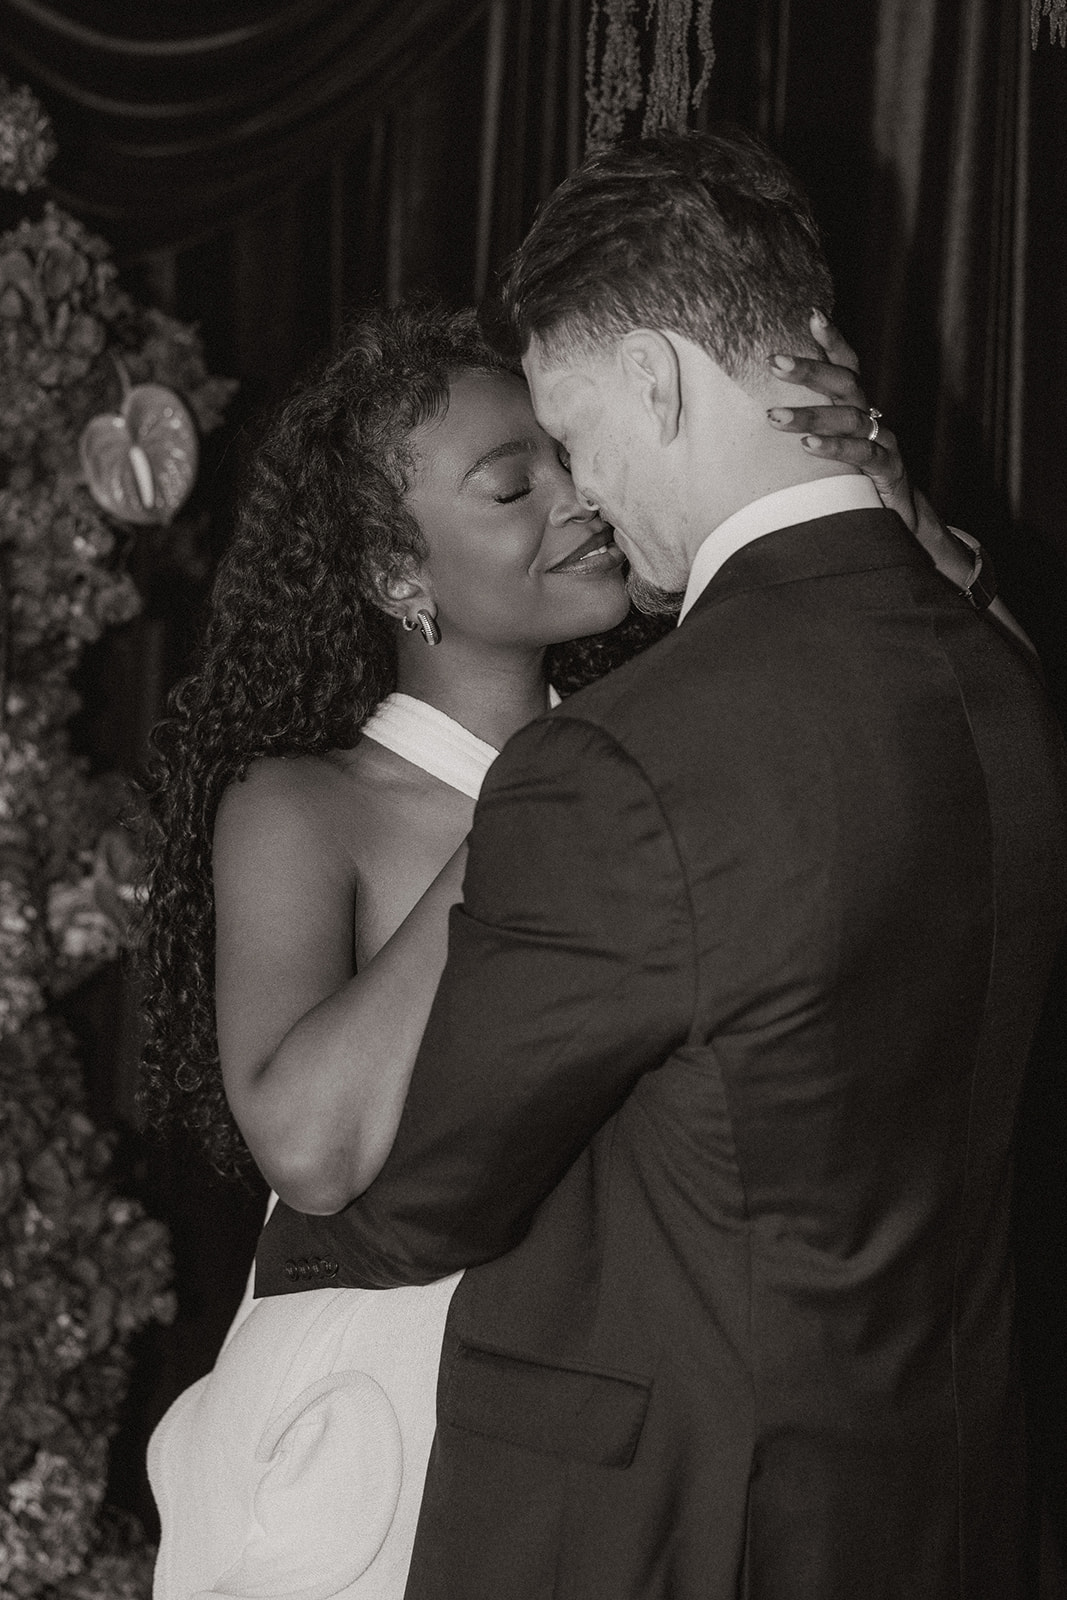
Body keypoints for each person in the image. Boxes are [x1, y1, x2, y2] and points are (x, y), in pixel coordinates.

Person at [256, 132, 1067, 1600]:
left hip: (691, 1525)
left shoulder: (623, 761)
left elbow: (435, 1183)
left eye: (576, 435)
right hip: (940, 1498)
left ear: (656, 381)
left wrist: (293, 1274)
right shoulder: (1003, 683)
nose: (587, 495)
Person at [141, 293, 958, 1599]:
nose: (575, 500)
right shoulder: (306, 807)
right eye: (511, 487)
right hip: (371, 1433)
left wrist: (901, 523)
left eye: (572, 459)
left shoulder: (675, 745)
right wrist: (541, 809)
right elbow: (303, 1142)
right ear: (399, 574)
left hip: (636, 1430)